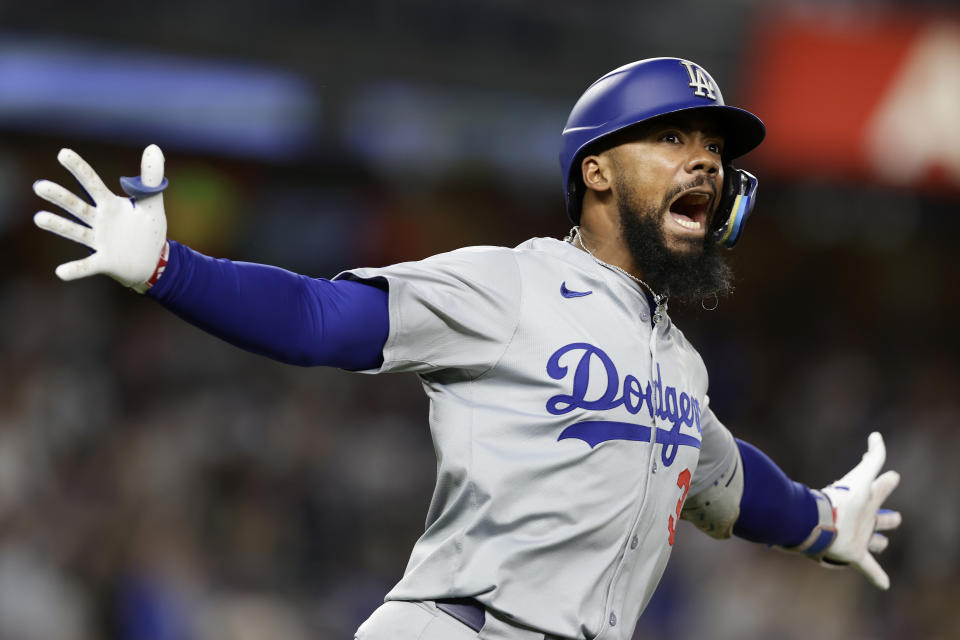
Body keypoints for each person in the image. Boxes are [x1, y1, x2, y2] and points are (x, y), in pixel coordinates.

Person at [33, 57, 901, 640]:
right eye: (674, 138)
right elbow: (321, 319)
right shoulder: (511, 285)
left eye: (714, 148)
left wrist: (826, 522)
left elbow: (730, 484)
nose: (705, 162)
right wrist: (167, 267)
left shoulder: (680, 365)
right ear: (596, 170)